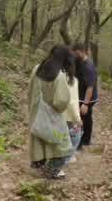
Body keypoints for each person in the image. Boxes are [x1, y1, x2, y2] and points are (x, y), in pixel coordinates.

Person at [28, 45, 78, 179]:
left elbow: (30, 91)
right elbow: (60, 102)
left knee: (39, 140)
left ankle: (39, 166)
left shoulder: (36, 69)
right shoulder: (59, 76)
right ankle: (51, 171)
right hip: (52, 117)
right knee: (61, 144)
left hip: (36, 113)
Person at [73, 43, 99, 150]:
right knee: (87, 118)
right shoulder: (79, 62)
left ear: (82, 52)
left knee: (82, 118)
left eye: (76, 53)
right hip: (82, 96)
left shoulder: (88, 66)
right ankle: (86, 140)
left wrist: (85, 103)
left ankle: (81, 142)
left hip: (87, 98)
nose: (75, 55)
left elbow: (90, 86)